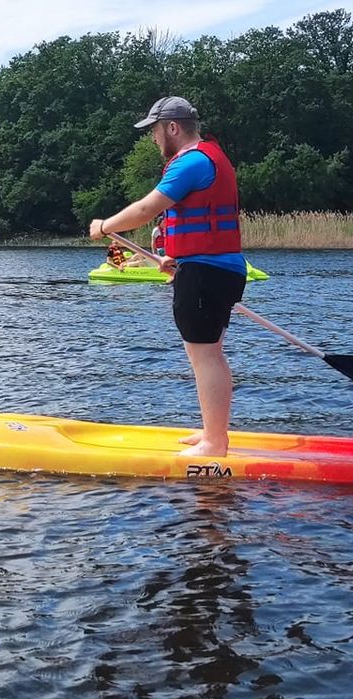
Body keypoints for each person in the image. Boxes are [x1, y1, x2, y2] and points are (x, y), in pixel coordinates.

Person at [89, 97, 245, 457]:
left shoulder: (191, 162)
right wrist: (177, 259)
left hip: (208, 273)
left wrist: (104, 226)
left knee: (206, 357)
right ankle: (212, 431)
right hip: (211, 269)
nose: (154, 139)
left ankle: (215, 442)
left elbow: (146, 209)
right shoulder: (208, 157)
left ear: (172, 127)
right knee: (209, 355)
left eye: (155, 131)